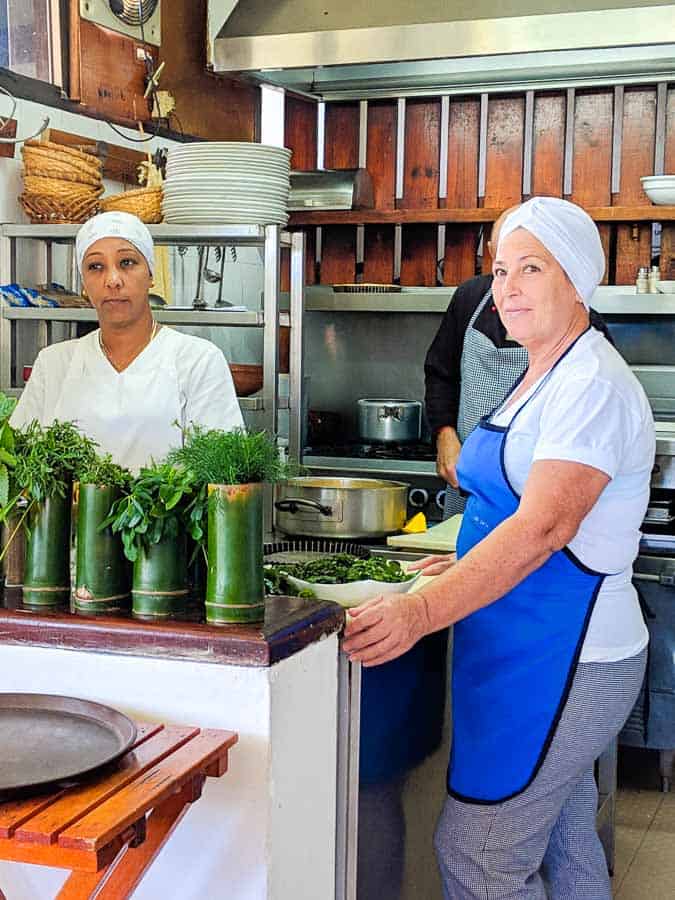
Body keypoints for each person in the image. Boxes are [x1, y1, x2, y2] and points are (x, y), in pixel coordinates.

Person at [344, 197, 654, 899]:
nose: (505, 288)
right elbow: (513, 506)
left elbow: (545, 527)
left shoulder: (591, 385)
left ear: (574, 281)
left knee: (478, 853)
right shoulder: (543, 370)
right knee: (567, 841)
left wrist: (420, 615)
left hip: (568, 654)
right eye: (499, 269)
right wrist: (465, 559)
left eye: (530, 269)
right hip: (523, 644)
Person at [10, 211, 243, 469]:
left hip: (168, 510)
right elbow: (20, 464)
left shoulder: (197, 360)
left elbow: (224, 477)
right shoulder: (54, 364)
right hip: (72, 511)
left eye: (127, 263)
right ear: (84, 284)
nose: (112, 280)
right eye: (95, 267)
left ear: (151, 275)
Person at [425, 206, 613, 517]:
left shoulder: (583, 335)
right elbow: (440, 373)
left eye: (529, 266)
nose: (511, 285)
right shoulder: (470, 298)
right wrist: (444, 436)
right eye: (503, 264)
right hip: (467, 483)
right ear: (491, 252)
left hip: (537, 490)